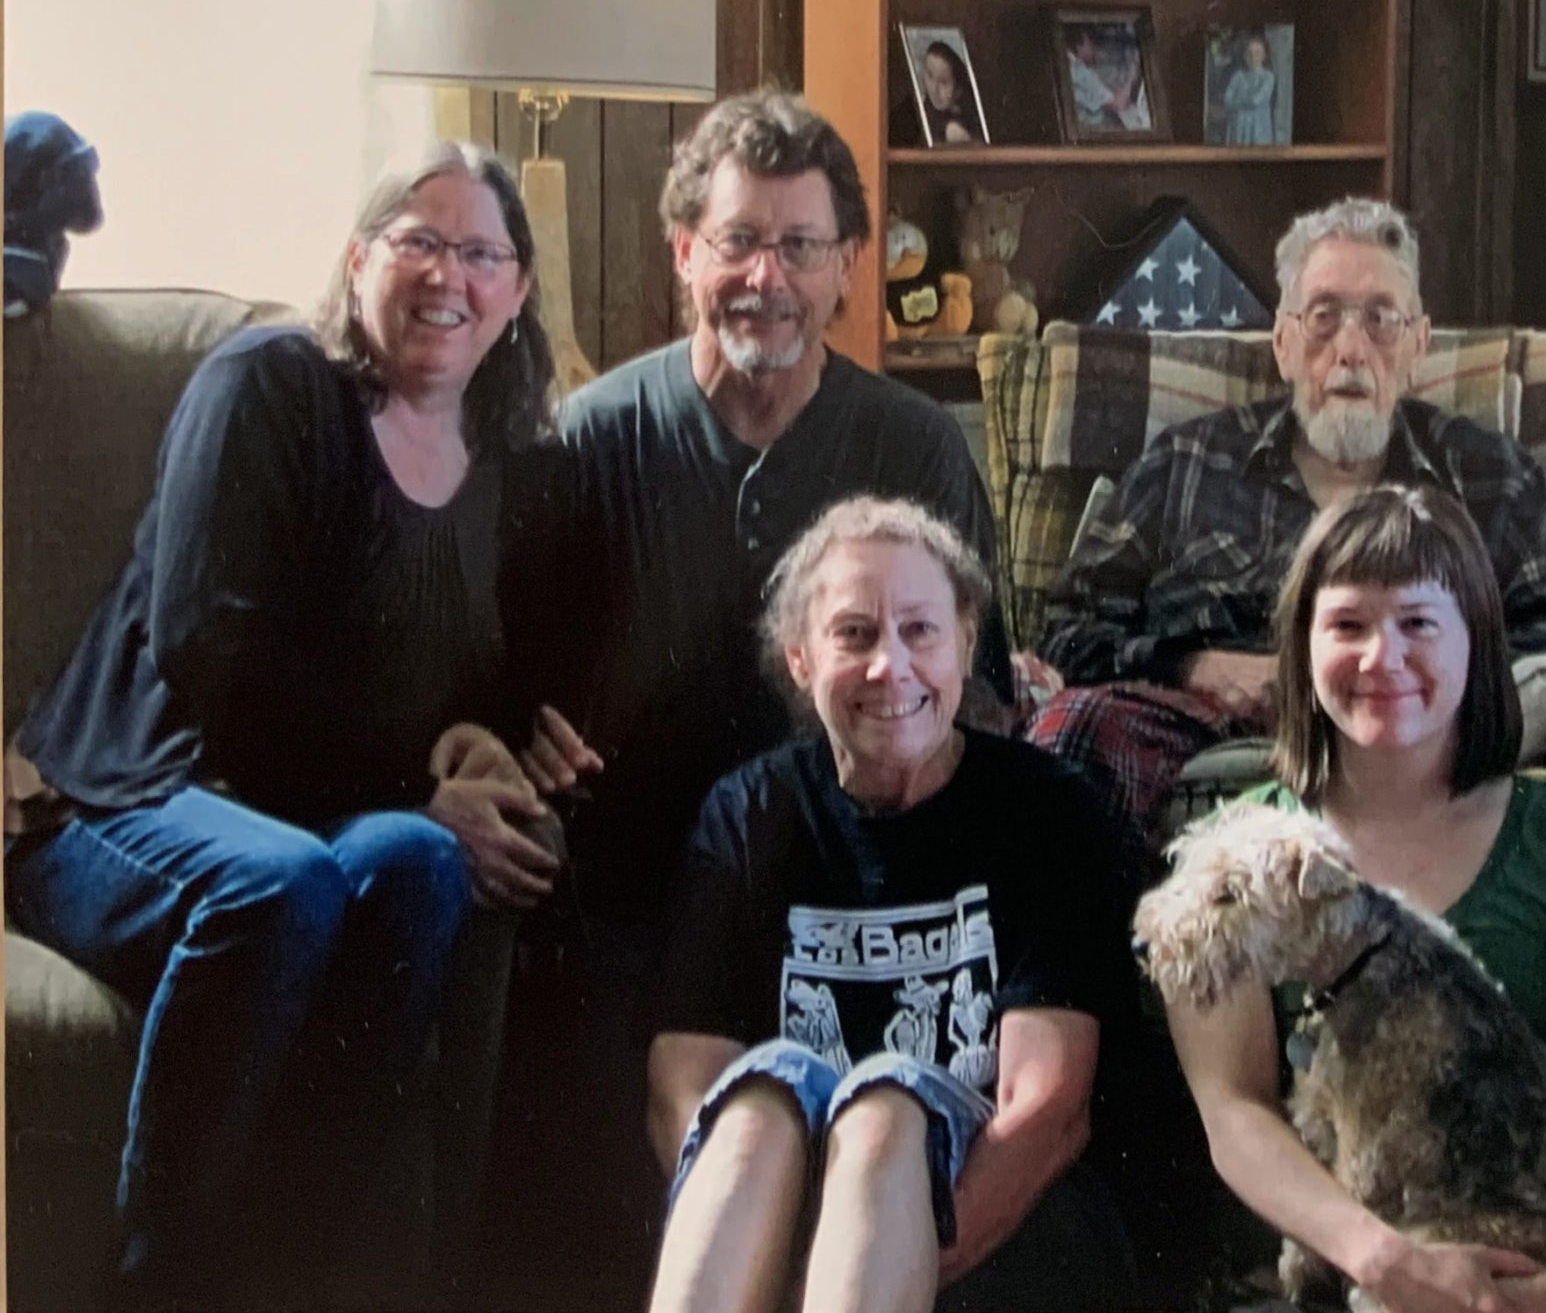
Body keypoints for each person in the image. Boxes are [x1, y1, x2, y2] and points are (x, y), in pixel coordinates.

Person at [3, 143, 563, 1303]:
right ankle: (157, 1284)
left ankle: (294, 1271)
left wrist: (483, 737)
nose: (447, 274)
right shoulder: (267, 384)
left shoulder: (505, 453)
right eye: (418, 240)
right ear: (358, 260)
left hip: (312, 816)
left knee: (419, 865)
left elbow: (474, 661)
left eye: (480, 252)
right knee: (283, 884)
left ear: (515, 291)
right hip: (120, 800)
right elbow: (208, 652)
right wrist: (418, 783)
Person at [492, 91, 1013, 1302]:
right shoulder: (588, 439)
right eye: (736, 241)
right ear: (684, 252)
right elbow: (504, 665)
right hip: (627, 890)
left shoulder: (914, 448)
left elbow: (976, 701)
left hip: (844, 895)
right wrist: (511, 726)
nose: (764, 277)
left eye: (799, 246)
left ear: (846, 268)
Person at [1162, 485, 1546, 1313]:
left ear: (1475, 641)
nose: (1382, 656)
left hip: (1540, 1281)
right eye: (1348, 624)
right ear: (1302, 647)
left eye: (1418, 622)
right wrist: (1385, 1261)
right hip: (1319, 1287)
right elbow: (1233, 1111)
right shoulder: (1230, 863)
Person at [646, 498, 1135, 1313]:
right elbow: (681, 1087)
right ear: (800, 658)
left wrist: (871, 1257)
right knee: (754, 1106)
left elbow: (1047, 1110)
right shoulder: (749, 812)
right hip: (798, 1225)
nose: (890, 666)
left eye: (920, 631)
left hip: (999, 1231)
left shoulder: (1045, 810)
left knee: (882, 1110)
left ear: (966, 643)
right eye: (855, 634)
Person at [1029, 199, 1546, 849]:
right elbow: (1068, 632)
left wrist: (1413, 679)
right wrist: (1196, 666)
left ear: (1418, 345)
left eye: (1381, 319)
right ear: (1284, 344)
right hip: (1201, 731)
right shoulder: (1185, 462)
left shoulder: (1495, 479)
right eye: (1324, 317)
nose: (1350, 350)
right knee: (1068, 734)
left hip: (1413, 732)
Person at [1063, 29, 1145, 130]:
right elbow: (1118, 104)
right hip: (1103, 124)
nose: (1092, 47)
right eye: (1089, 44)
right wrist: (1132, 78)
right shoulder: (1079, 73)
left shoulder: (1111, 45)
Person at [916, 39, 984, 145]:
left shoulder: (956, 128)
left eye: (943, 82)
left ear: (958, 90)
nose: (934, 88)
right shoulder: (925, 104)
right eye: (930, 75)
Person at [1220, 32, 1278, 146]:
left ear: (1264, 55)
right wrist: (1246, 100)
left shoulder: (1268, 77)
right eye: (1249, 53)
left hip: (1258, 128)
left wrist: (1237, 100)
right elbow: (1227, 100)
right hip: (1238, 127)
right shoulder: (1238, 76)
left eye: (1257, 53)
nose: (1253, 57)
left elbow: (1255, 101)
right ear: (1244, 55)